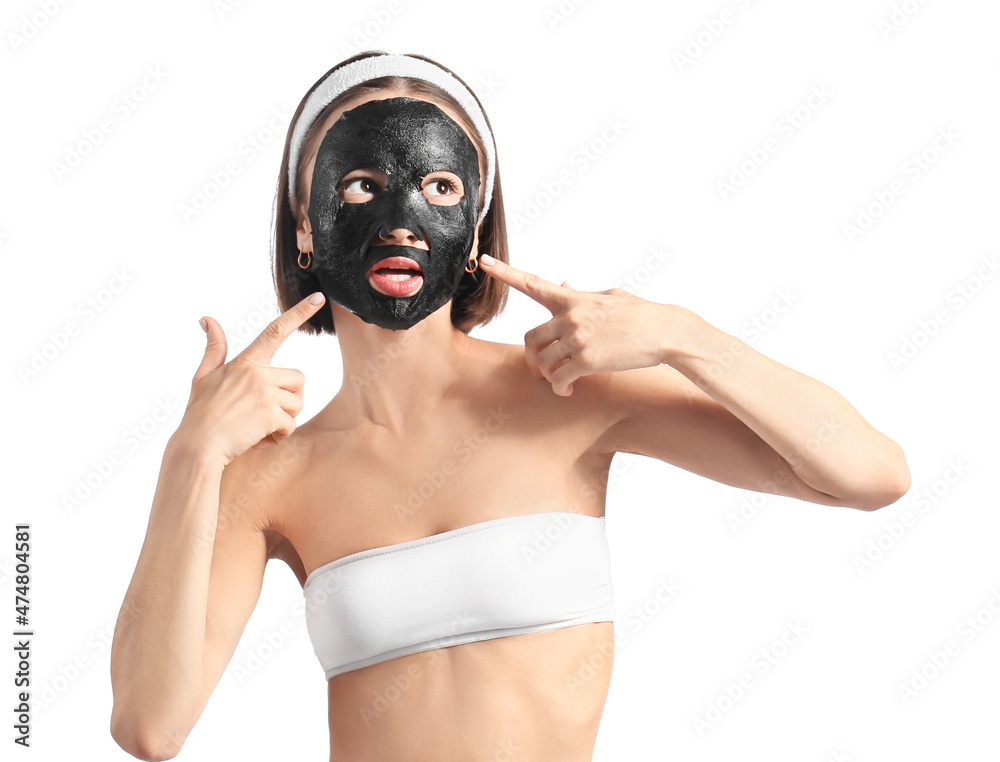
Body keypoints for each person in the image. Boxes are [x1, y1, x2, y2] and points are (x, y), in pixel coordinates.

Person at [109, 50, 911, 761]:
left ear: (474, 225)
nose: (401, 223)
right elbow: (151, 726)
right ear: (306, 227)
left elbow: (872, 474)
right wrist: (191, 457)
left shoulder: (570, 391)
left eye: (439, 186)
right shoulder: (269, 474)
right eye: (360, 185)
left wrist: (682, 335)